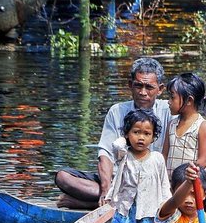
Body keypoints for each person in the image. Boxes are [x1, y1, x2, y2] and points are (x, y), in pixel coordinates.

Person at [55, 58, 172, 209]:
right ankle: (111, 200)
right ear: (130, 85)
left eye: (149, 87)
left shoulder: (169, 111)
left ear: (160, 89)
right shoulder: (117, 111)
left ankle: (85, 204)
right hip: (117, 181)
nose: (143, 92)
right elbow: (105, 154)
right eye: (138, 86)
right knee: (63, 177)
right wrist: (105, 191)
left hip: (153, 183)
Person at [104, 109, 171, 223]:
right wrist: (125, 137)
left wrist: (166, 207)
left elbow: (164, 185)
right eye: (136, 132)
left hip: (149, 211)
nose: (141, 138)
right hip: (126, 210)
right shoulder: (124, 155)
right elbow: (116, 145)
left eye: (147, 134)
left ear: (153, 137)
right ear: (127, 134)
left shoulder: (157, 158)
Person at [162, 73, 206, 178]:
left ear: (189, 100)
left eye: (172, 97)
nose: (169, 102)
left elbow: (203, 160)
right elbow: (164, 155)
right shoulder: (172, 124)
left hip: (188, 182)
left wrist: (187, 175)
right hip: (169, 183)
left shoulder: (202, 126)